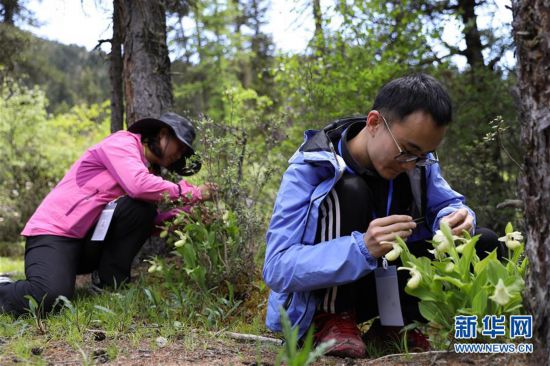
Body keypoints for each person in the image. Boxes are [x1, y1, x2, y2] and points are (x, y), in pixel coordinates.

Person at [262, 74, 500, 358]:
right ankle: (332, 320)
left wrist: (455, 217)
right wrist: (361, 247)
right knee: (350, 191)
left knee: (482, 242)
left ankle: (396, 326)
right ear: (374, 122)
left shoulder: (418, 162)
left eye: (424, 155)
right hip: (323, 292)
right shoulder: (311, 167)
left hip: (386, 286)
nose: (412, 165)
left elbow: (447, 203)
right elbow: (276, 268)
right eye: (407, 151)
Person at [0, 112, 217, 316]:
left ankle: (110, 285)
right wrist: (193, 193)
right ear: (162, 135)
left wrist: (186, 214)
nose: (179, 155)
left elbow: (142, 222)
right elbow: (138, 186)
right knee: (48, 298)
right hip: (54, 232)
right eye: (179, 147)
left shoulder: (148, 171)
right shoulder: (122, 143)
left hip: (86, 242)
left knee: (142, 209)